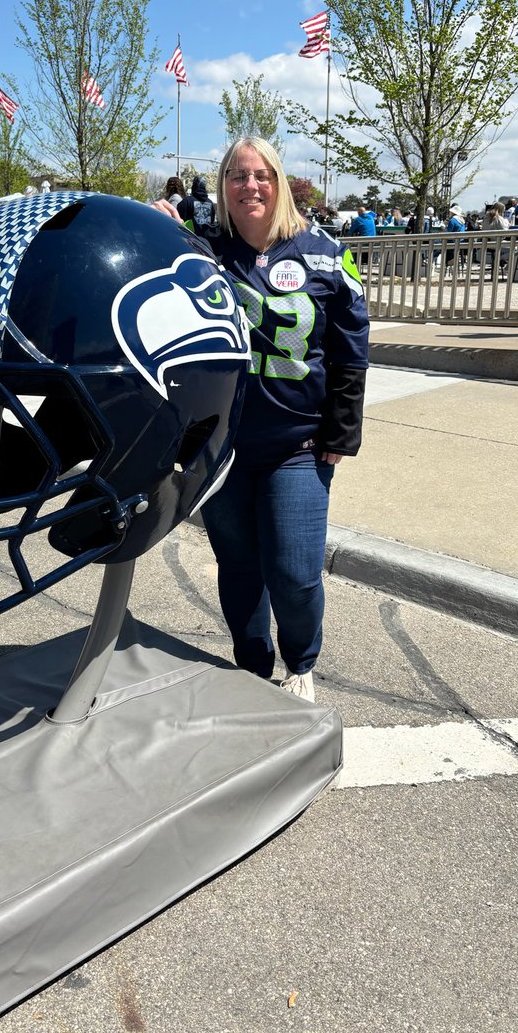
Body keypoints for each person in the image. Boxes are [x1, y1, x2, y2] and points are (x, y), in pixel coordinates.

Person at [154, 137, 371, 701]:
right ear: (223, 186)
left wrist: (342, 430)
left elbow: (351, 349)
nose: (250, 186)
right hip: (221, 445)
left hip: (297, 443)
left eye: (261, 175)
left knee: (295, 574)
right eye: (236, 175)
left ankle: (301, 662)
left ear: (279, 181)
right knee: (239, 566)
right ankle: (251, 666)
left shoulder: (325, 252)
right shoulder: (199, 252)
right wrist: (154, 228)